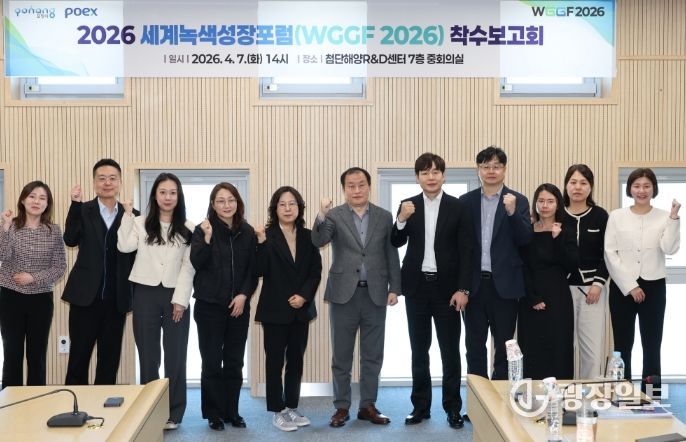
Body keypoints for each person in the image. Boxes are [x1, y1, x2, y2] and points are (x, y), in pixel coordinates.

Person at [311, 166, 401, 428]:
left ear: (369, 186)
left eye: (361, 185)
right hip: (343, 294)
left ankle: (368, 406)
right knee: (342, 355)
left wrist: (394, 288)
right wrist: (321, 214)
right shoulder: (334, 215)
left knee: (373, 355)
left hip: (375, 294)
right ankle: (341, 407)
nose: (357, 190)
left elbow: (391, 253)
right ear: (344, 189)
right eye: (351, 186)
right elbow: (318, 241)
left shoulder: (384, 216)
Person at [390, 153, 473, 429]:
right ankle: (420, 407)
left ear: (443, 176)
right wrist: (401, 219)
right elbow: (395, 241)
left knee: (450, 352)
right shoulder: (408, 205)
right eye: (425, 172)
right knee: (419, 350)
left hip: (447, 290)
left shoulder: (457, 206)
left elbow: (467, 251)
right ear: (417, 177)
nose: (431, 177)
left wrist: (463, 289)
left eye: (436, 172)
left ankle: (452, 408)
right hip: (417, 288)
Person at [117, 172, 195, 430]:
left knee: (176, 355)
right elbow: (124, 246)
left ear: (178, 196)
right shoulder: (139, 222)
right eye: (163, 192)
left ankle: (174, 413)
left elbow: (189, 266)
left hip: (175, 295)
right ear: (155, 196)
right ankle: (151, 411)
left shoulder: (189, 228)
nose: (167, 197)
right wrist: (127, 215)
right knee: (148, 355)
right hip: (145, 293)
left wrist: (181, 300)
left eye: (172, 192)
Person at [605, 168, 680, 396]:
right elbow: (610, 253)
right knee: (623, 344)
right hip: (622, 287)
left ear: (654, 189)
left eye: (647, 186)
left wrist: (673, 218)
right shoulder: (616, 216)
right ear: (630, 189)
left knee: (652, 345)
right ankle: (623, 394)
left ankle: (651, 397)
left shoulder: (664, 216)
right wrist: (631, 286)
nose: (642, 190)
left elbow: (670, 248)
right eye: (636, 186)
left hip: (654, 286)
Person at [459, 146, 533, 380]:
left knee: (505, 346)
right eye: (486, 166)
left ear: (504, 169)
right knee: (474, 346)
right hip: (475, 286)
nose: (491, 171)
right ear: (478, 170)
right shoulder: (466, 202)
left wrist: (512, 213)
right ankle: (478, 398)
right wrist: (461, 287)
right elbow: (461, 248)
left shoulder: (518, 200)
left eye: (496, 166)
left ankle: (500, 396)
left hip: (505, 287)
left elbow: (525, 239)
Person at [62, 159, 137, 385]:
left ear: (120, 182)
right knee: (78, 358)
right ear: (94, 182)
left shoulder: (132, 214)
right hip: (85, 298)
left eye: (112, 178)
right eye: (102, 178)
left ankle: (104, 405)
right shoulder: (83, 209)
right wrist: (74, 205)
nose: (107, 183)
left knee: (109, 361)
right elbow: (70, 239)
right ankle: (74, 403)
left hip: (116, 300)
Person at [190, 182, 258, 431]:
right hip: (209, 306)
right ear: (213, 204)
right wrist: (207, 239)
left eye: (231, 200)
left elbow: (253, 270)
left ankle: (232, 412)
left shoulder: (247, 231)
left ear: (237, 202)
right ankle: (214, 414)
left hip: (238, 306)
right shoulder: (203, 229)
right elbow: (197, 261)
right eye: (221, 200)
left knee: (234, 362)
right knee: (211, 362)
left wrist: (243, 295)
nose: (226, 205)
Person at [254, 186, 322, 432]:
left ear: (299, 208)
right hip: (274, 310)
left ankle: (291, 406)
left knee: (296, 361)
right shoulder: (266, 235)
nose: (287, 208)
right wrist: (261, 243)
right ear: (275, 209)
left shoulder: (308, 236)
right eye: (282, 204)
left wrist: (304, 296)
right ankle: (277, 410)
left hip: (300, 310)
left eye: (292, 203)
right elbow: (259, 270)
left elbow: (315, 271)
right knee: (274, 363)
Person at [0, 181, 66, 388]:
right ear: (23, 200)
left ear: (47, 204)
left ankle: (36, 401)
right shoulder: (10, 226)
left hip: (41, 299)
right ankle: (9, 401)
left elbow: (60, 267)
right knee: (12, 353)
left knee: (37, 355)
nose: (36, 201)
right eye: (32, 196)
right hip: (10, 296)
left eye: (42, 198)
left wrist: (33, 277)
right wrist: (5, 228)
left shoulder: (53, 231)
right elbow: (2, 255)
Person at [518, 183, 577, 380]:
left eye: (550, 201)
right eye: (541, 201)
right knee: (532, 349)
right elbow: (522, 266)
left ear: (558, 204)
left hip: (558, 296)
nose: (545, 205)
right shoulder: (527, 230)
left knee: (559, 347)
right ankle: (531, 395)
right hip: (530, 297)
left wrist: (557, 239)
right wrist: (532, 297)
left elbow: (571, 265)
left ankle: (559, 395)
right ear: (535, 203)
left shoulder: (566, 230)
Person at [562, 164, 609, 379]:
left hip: (593, 291)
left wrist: (598, 284)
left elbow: (608, 253)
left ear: (591, 187)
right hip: (562, 290)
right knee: (563, 345)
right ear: (566, 186)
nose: (577, 187)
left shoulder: (600, 215)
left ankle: (590, 394)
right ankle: (564, 393)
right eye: (573, 182)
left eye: (583, 183)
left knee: (591, 348)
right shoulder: (557, 214)